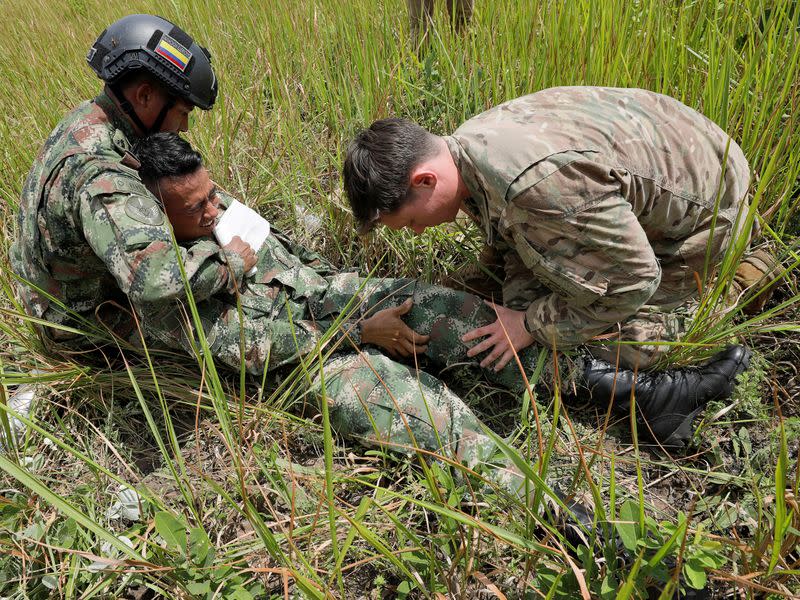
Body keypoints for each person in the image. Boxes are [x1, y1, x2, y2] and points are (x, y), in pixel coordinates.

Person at [343, 86, 759, 446]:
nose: (417, 234)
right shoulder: (464, 150)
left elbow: (634, 281)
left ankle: (748, 273)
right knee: (513, 303)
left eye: (412, 223)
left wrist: (530, 325)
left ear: (425, 180)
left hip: (707, 212)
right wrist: (495, 291)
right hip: (673, 167)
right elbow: (502, 227)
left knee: (607, 345)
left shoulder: (534, 185)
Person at [10, 14, 255, 349]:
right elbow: (152, 279)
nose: (184, 128)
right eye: (182, 113)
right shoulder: (100, 175)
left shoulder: (94, 118)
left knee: (207, 203)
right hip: (78, 323)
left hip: (65, 288)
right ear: (144, 96)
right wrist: (230, 264)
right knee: (233, 328)